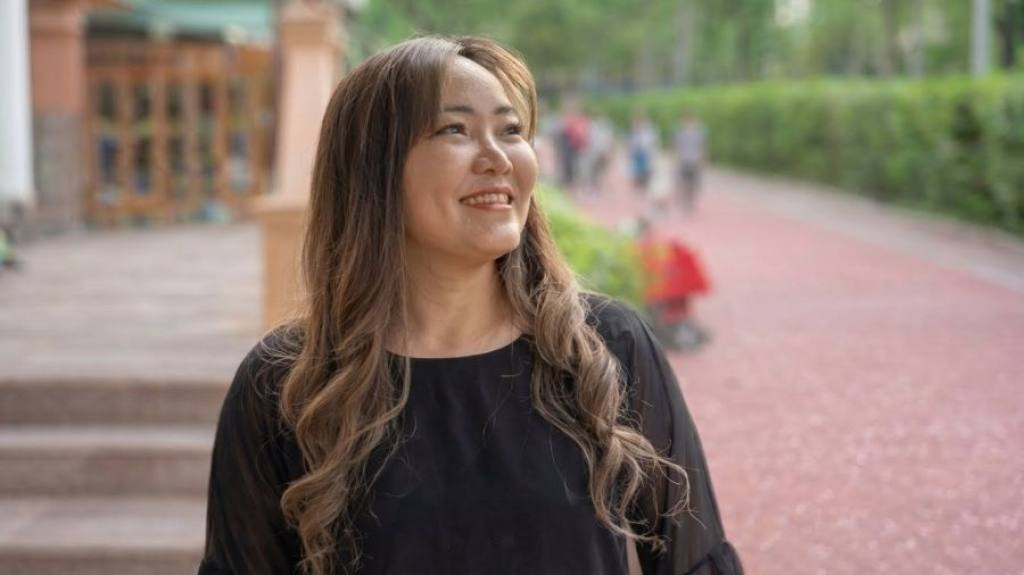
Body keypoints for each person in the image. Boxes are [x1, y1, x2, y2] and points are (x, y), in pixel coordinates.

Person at [199, 36, 742, 575]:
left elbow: (696, 563)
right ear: (373, 168)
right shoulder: (285, 384)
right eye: (454, 130)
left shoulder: (607, 347)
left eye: (511, 131)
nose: (498, 158)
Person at [634, 216, 712, 352]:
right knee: (673, 315)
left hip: (664, 296)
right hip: (669, 295)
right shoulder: (663, 247)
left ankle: (681, 335)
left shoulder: (647, 249)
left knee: (669, 316)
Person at [674, 112, 707, 214]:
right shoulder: (680, 133)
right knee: (684, 182)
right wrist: (675, 158)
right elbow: (676, 146)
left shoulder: (699, 134)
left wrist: (702, 160)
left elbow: (702, 147)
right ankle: (685, 201)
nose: (689, 124)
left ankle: (690, 201)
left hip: (694, 161)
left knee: (693, 184)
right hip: (684, 160)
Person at [628, 112, 658, 196]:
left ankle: (643, 191)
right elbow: (631, 144)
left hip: (645, 154)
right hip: (636, 154)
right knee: (636, 174)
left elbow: (652, 143)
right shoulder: (633, 131)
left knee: (645, 174)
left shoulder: (649, 130)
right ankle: (638, 192)